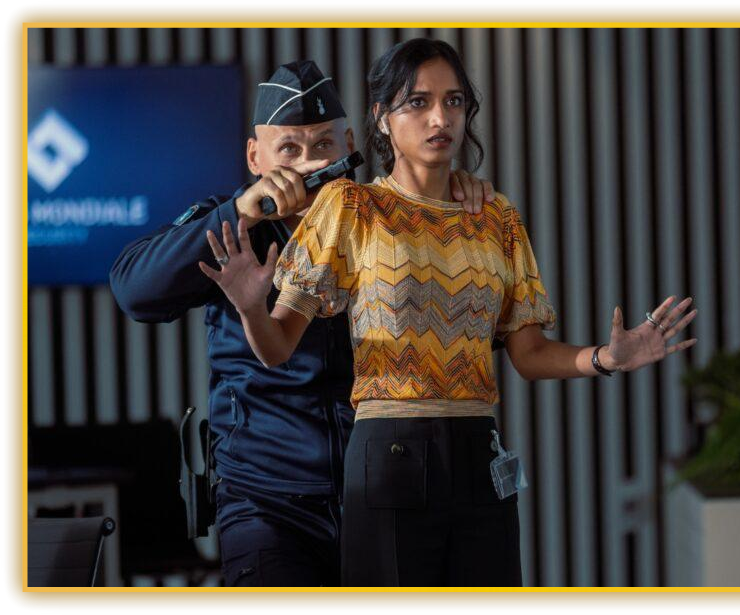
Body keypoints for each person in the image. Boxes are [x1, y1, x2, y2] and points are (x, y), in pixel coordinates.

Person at [199, 39, 698, 587]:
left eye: (454, 101)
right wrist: (250, 305)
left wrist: (606, 358)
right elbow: (276, 349)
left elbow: (529, 355)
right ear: (381, 118)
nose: (441, 118)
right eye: (418, 102)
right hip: (389, 458)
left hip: (481, 458)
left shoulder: (498, 218)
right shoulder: (352, 208)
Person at [109, 59, 494, 587]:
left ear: (350, 145)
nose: (309, 164)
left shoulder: (390, 221)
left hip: (385, 489)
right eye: (289, 149)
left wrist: (451, 209)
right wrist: (240, 212)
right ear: (255, 156)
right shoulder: (228, 227)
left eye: (323, 145)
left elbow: (476, 333)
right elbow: (134, 290)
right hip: (265, 501)